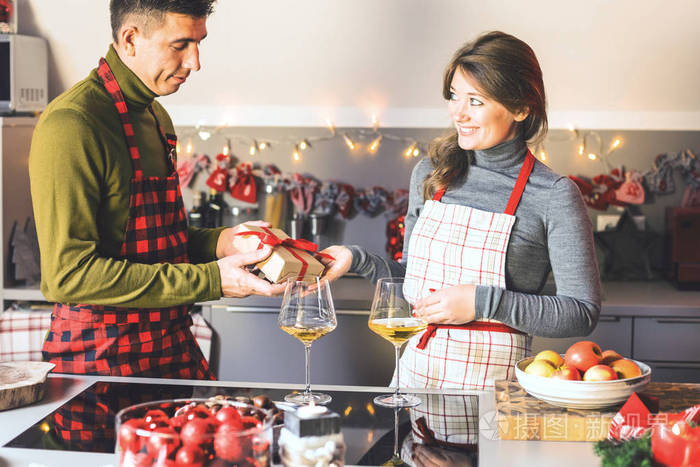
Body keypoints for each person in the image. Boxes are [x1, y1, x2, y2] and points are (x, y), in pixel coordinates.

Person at [321, 31, 601, 391]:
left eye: (476, 100)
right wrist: (355, 259)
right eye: (454, 96)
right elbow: (415, 288)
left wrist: (481, 302)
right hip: (414, 384)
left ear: (521, 108)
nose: (458, 112)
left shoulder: (554, 195)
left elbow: (581, 312)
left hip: (494, 397)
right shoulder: (432, 173)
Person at [29, 0, 285, 380]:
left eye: (199, 43)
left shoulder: (155, 116)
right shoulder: (72, 124)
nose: (195, 62)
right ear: (130, 39)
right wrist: (212, 279)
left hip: (170, 345)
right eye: (180, 45)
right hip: (99, 361)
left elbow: (157, 244)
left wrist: (225, 242)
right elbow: (68, 274)